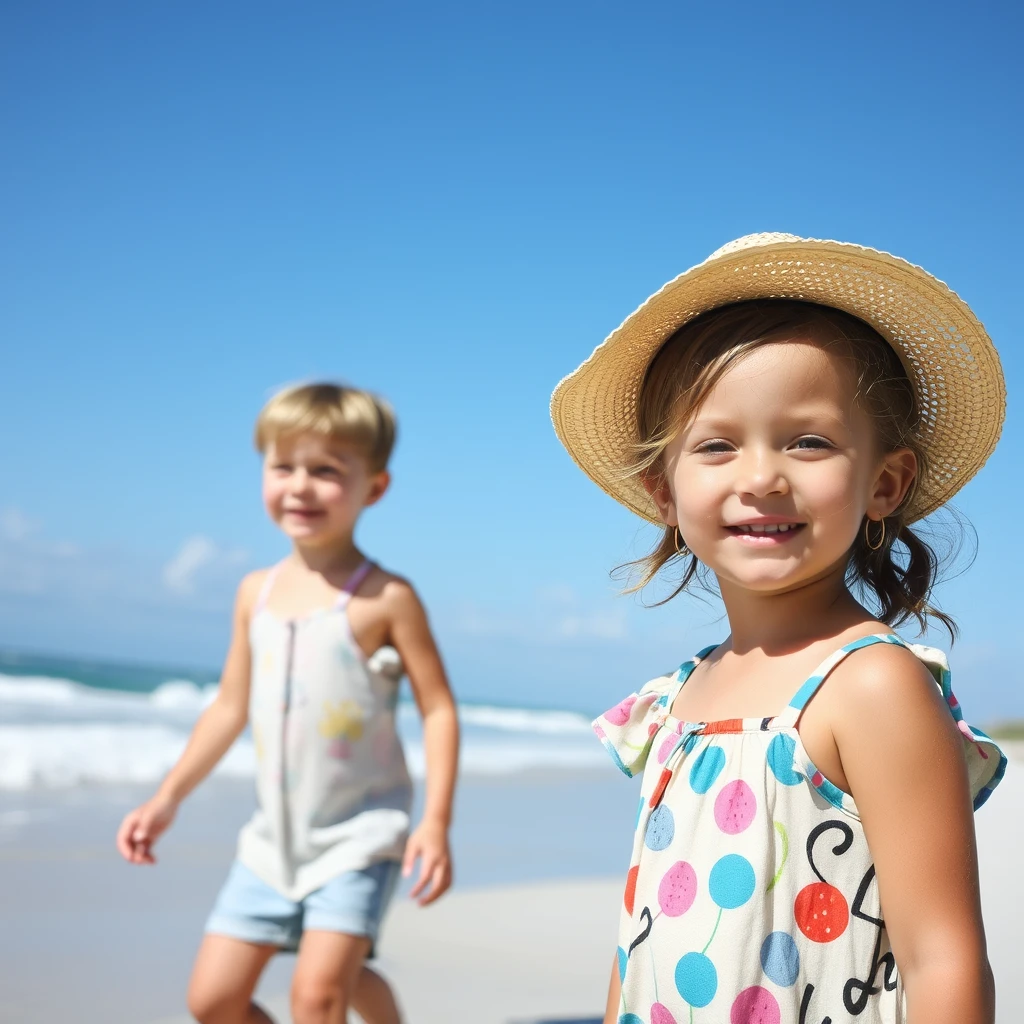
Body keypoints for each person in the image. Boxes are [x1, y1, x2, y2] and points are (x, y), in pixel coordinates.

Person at [550, 234, 1007, 1024]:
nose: (762, 477)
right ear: (665, 490)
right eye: (718, 445)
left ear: (884, 482)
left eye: (808, 441)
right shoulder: (676, 697)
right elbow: (640, 940)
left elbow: (945, 960)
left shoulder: (869, 684)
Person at [117, 382, 459, 1024]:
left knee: (318, 997)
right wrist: (167, 798)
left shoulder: (385, 598)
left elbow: (438, 708)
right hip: (270, 845)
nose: (299, 486)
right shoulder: (256, 592)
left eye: (326, 471)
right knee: (213, 1001)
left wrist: (434, 822)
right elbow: (228, 707)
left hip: (359, 837)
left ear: (374, 488)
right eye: (284, 467)